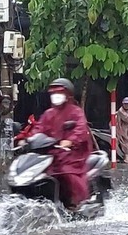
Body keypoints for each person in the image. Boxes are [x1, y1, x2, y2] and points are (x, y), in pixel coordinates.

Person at [29, 78, 92, 210]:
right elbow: (38, 128)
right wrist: (29, 139)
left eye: (60, 93)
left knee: (66, 174)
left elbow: (81, 129)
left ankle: (76, 203)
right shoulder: (48, 114)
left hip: (72, 155)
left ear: (67, 95)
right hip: (51, 155)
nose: (56, 97)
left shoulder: (76, 112)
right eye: (54, 94)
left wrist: (70, 141)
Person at [116, 97, 128, 163]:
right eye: (125, 104)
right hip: (122, 130)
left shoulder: (126, 111)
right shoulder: (121, 111)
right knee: (126, 143)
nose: (127, 105)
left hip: (127, 129)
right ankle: (126, 158)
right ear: (123, 104)